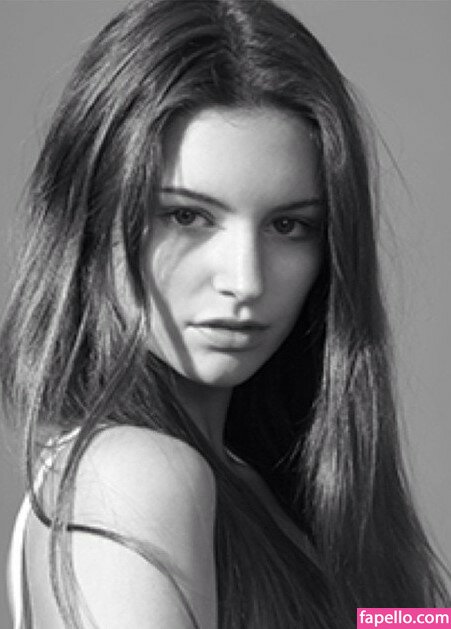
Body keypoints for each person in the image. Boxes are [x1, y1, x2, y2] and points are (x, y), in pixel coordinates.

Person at [1, 0, 449, 627]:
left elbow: (384, 619)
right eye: (186, 216)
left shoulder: (268, 489)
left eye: (288, 226)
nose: (245, 280)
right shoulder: (133, 477)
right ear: (90, 219)